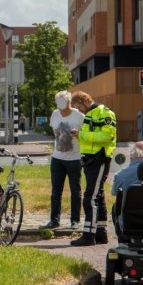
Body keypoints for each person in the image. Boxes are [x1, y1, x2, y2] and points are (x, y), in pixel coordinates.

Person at [69, 90, 117, 247]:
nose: (79, 111)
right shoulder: (90, 115)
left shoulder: (105, 113)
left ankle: (88, 236)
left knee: (90, 197)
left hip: (99, 159)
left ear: (84, 101)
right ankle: (100, 234)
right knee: (99, 196)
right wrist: (79, 135)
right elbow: (93, 136)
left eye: (78, 107)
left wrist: (82, 136)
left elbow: (107, 136)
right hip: (90, 160)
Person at [44, 90, 85, 230]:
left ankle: (75, 220)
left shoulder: (79, 116)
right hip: (58, 158)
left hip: (74, 158)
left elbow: (85, 134)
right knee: (56, 191)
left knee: (75, 190)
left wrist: (78, 134)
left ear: (68, 102)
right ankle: (54, 220)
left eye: (62, 102)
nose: (60, 105)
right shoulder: (55, 115)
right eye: (58, 102)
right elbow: (55, 134)